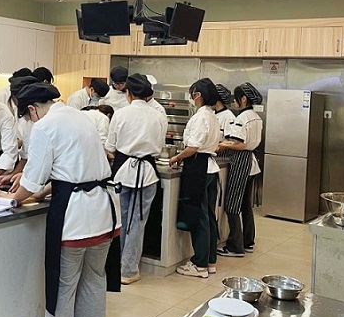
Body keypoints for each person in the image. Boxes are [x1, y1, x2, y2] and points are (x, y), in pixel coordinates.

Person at [0, 83, 119, 317]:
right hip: (104, 213)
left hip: (75, 218)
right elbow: (73, 170)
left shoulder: (45, 126)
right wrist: (38, 192)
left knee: (63, 285)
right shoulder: (82, 118)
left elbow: (34, 179)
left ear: (32, 109)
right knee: (94, 280)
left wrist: (12, 198)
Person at [105, 74, 167, 285]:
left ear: (128, 93)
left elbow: (110, 147)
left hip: (122, 172)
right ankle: (129, 270)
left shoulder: (121, 114)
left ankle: (116, 266)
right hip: (147, 173)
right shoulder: (158, 115)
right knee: (138, 222)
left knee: (119, 220)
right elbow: (159, 148)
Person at [169, 79, 222, 279]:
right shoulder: (212, 116)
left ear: (197, 94)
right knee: (208, 216)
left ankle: (199, 264)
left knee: (199, 216)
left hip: (199, 167)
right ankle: (210, 260)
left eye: (192, 93)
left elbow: (193, 148)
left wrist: (177, 157)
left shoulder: (201, 117)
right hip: (210, 168)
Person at [217, 83, 264, 258]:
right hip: (252, 163)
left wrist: (223, 145)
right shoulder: (256, 117)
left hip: (241, 162)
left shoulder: (242, 117)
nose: (234, 102)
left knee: (232, 205)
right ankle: (248, 242)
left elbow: (240, 144)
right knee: (246, 205)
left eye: (236, 99)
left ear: (243, 99)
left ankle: (235, 247)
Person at [0, 75, 41, 193]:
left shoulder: (48, 121)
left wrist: (16, 196)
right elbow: (26, 156)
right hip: (35, 177)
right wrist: (14, 174)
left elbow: (44, 164)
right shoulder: (26, 119)